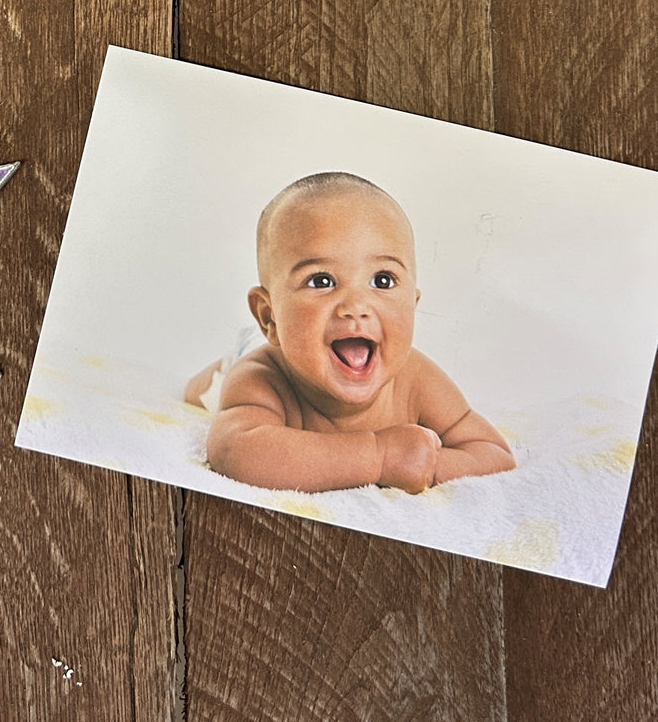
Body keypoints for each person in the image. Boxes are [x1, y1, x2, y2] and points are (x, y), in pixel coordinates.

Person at [185, 172, 514, 494]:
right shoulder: (262, 377)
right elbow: (235, 451)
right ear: (269, 316)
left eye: (382, 280)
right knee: (200, 392)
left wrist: (425, 464)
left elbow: (493, 453)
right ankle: (226, 361)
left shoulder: (417, 380)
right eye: (321, 281)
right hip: (250, 352)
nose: (356, 306)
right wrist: (379, 457)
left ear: (413, 304)